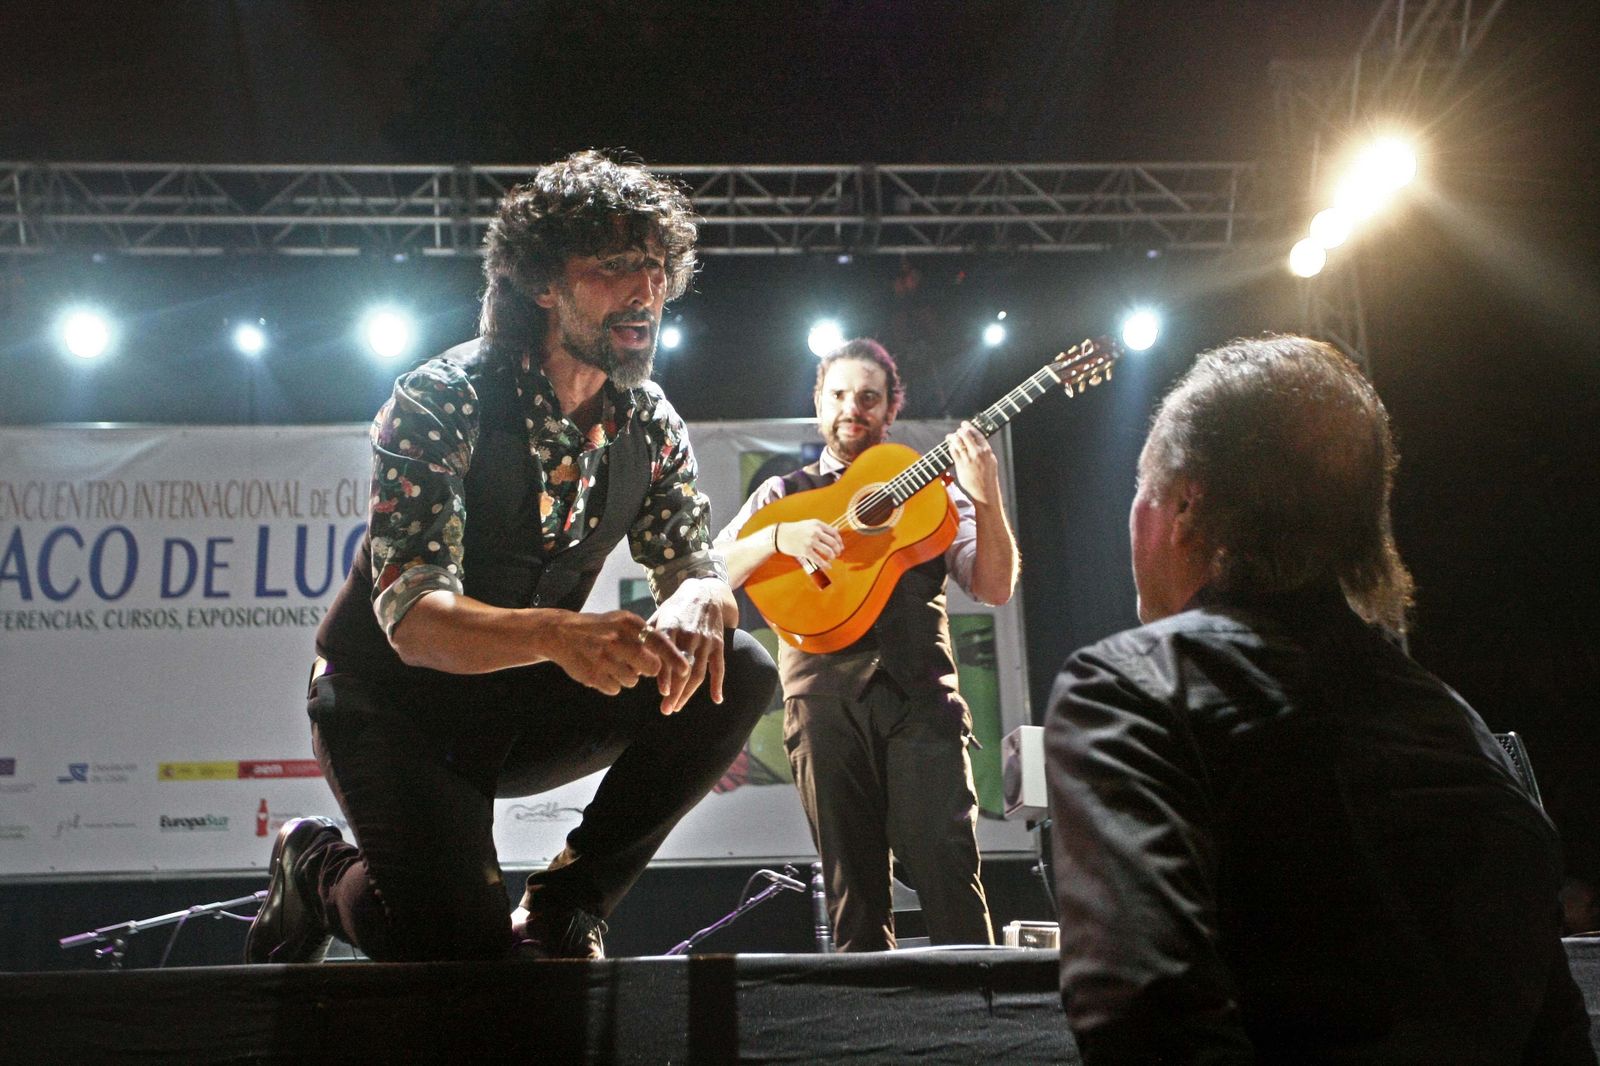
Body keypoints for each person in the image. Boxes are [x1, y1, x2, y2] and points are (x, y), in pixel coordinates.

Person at [244, 150, 777, 964]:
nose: (645, 292)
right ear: (541, 284)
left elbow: (689, 559)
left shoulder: (651, 419)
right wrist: (561, 635)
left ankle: (569, 902)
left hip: (517, 703)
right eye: (612, 268)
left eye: (657, 267)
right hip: (391, 707)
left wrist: (702, 587)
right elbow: (415, 623)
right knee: (459, 953)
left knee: (738, 667)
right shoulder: (442, 398)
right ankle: (314, 867)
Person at [1044, 336, 1594, 1063]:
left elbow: (1148, 1019)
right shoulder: (1461, 728)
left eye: (1141, 492)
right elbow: (1556, 1036)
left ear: (1183, 506)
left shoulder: (1127, 691)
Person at [715, 338, 1019, 951]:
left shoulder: (938, 495)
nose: (853, 407)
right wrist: (779, 536)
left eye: (869, 398)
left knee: (948, 871)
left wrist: (986, 497)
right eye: (840, 395)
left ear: (890, 409)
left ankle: (983, 1034)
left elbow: (993, 586)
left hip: (920, 699)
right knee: (852, 891)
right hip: (822, 705)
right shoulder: (784, 494)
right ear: (819, 403)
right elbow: (713, 567)